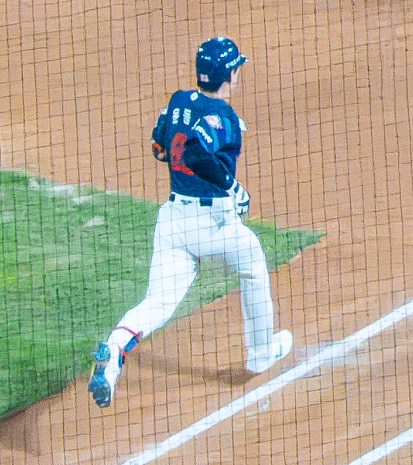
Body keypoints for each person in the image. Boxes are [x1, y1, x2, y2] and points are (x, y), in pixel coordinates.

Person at [88, 37, 294, 407]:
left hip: (173, 221)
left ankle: (115, 350)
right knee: (252, 265)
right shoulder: (225, 118)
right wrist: (232, 186)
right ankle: (261, 354)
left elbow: (159, 147)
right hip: (213, 224)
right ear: (228, 76)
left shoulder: (178, 101)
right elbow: (196, 151)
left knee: (158, 302)